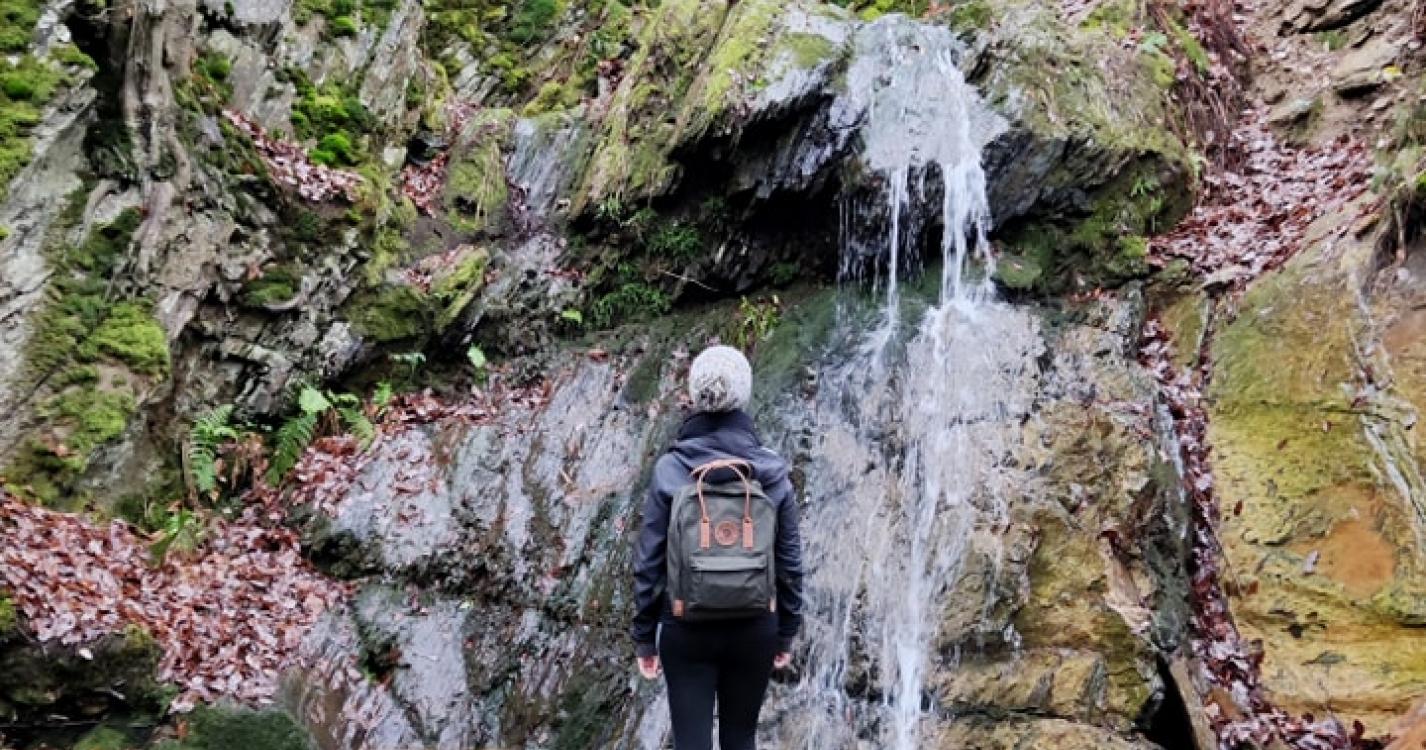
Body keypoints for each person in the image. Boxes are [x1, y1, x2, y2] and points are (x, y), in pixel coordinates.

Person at [632, 345, 805, 750]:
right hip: (755, 627)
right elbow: (789, 563)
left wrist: (644, 636)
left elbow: (649, 560)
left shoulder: (670, 470)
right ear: (744, 394)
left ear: (695, 395)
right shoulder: (772, 471)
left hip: (685, 626)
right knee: (741, 738)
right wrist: (786, 632)